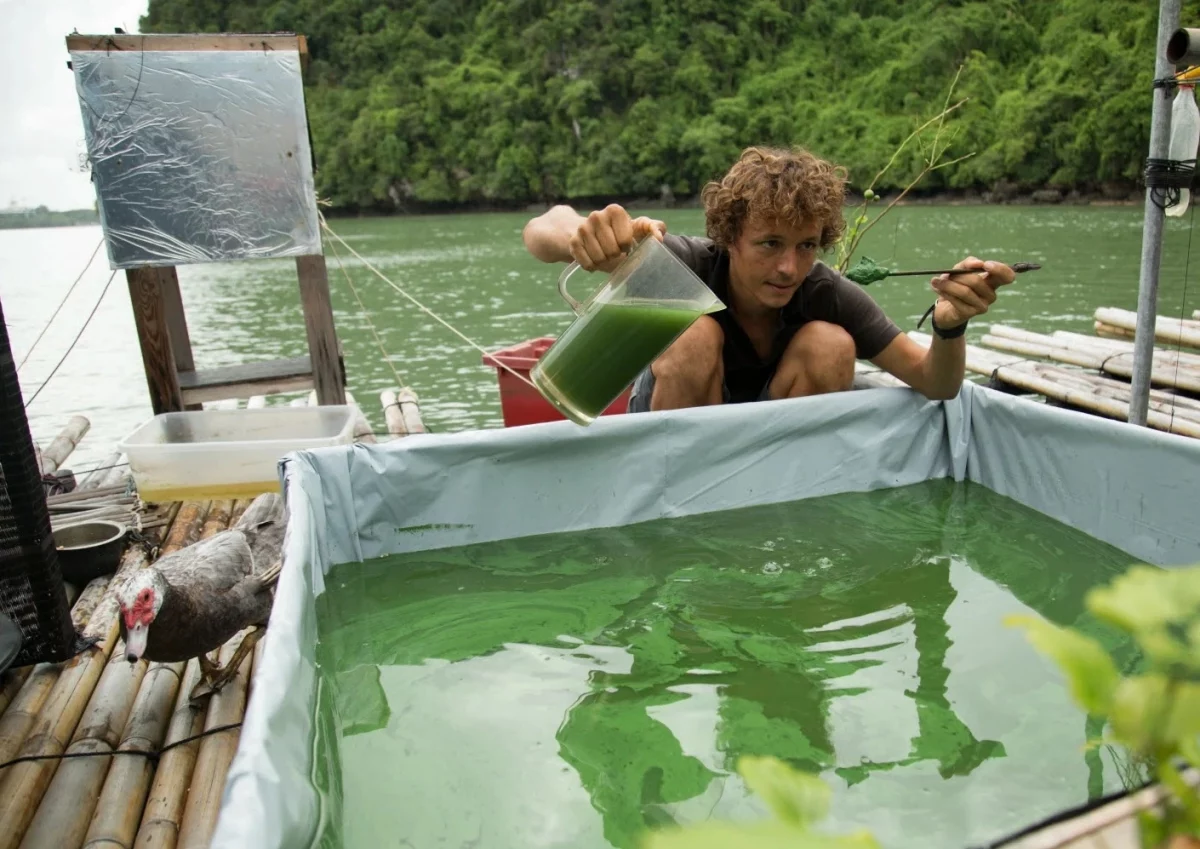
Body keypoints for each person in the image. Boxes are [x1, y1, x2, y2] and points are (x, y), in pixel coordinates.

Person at [521, 145, 1015, 412]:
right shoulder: (679, 263)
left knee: (830, 344)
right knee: (696, 331)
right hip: (671, 436)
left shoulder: (824, 292)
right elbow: (541, 228)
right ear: (729, 237)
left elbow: (937, 383)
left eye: (805, 246)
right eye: (769, 244)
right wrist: (581, 237)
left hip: (773, 452)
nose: (789, 268)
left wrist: (950, 325)